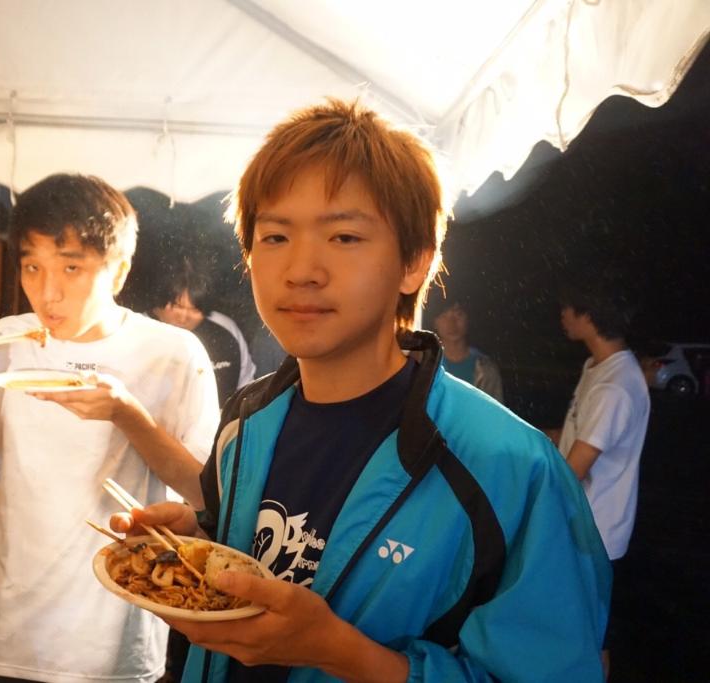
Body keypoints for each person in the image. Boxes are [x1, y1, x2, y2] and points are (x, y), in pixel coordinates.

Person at [111, 99, 610, 682]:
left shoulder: (510, 468)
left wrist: (338, 650)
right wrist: (198, 542)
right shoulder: (247, 422)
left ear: (414, 262)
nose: (302, 270)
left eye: (344, 236)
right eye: (275, 236)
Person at [0, 174, 220, 682]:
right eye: (32, 267)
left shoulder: (172, 353)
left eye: (71, 267)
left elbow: (203, 492)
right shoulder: (8, 338)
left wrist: (127, 413)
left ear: (118, 270)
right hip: (1, 631)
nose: (48, 293)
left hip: (109, 641)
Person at [552, 284, 650, 677]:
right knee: (573, 627)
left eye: (567, 308)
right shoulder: (597, 367)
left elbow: (575, 468)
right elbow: (575, 434)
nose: (562, 315)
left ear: (589, 315)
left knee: (591, 637)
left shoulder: (615, 386)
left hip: (595, 534)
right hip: (582, 524)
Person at [150, 257, 257, 405]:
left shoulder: (225, 330)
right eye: (177, 306)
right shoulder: (138, 332)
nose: (184, 317)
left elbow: (246, 388)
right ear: (158, 305)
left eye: (194, 309)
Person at [430, 297, 504, 402]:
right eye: (444, 316)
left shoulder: (486, 369)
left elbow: (495, 409)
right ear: (434, 322)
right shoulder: (428, 365)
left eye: (459, 314)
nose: (451, 323)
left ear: (468, 318)